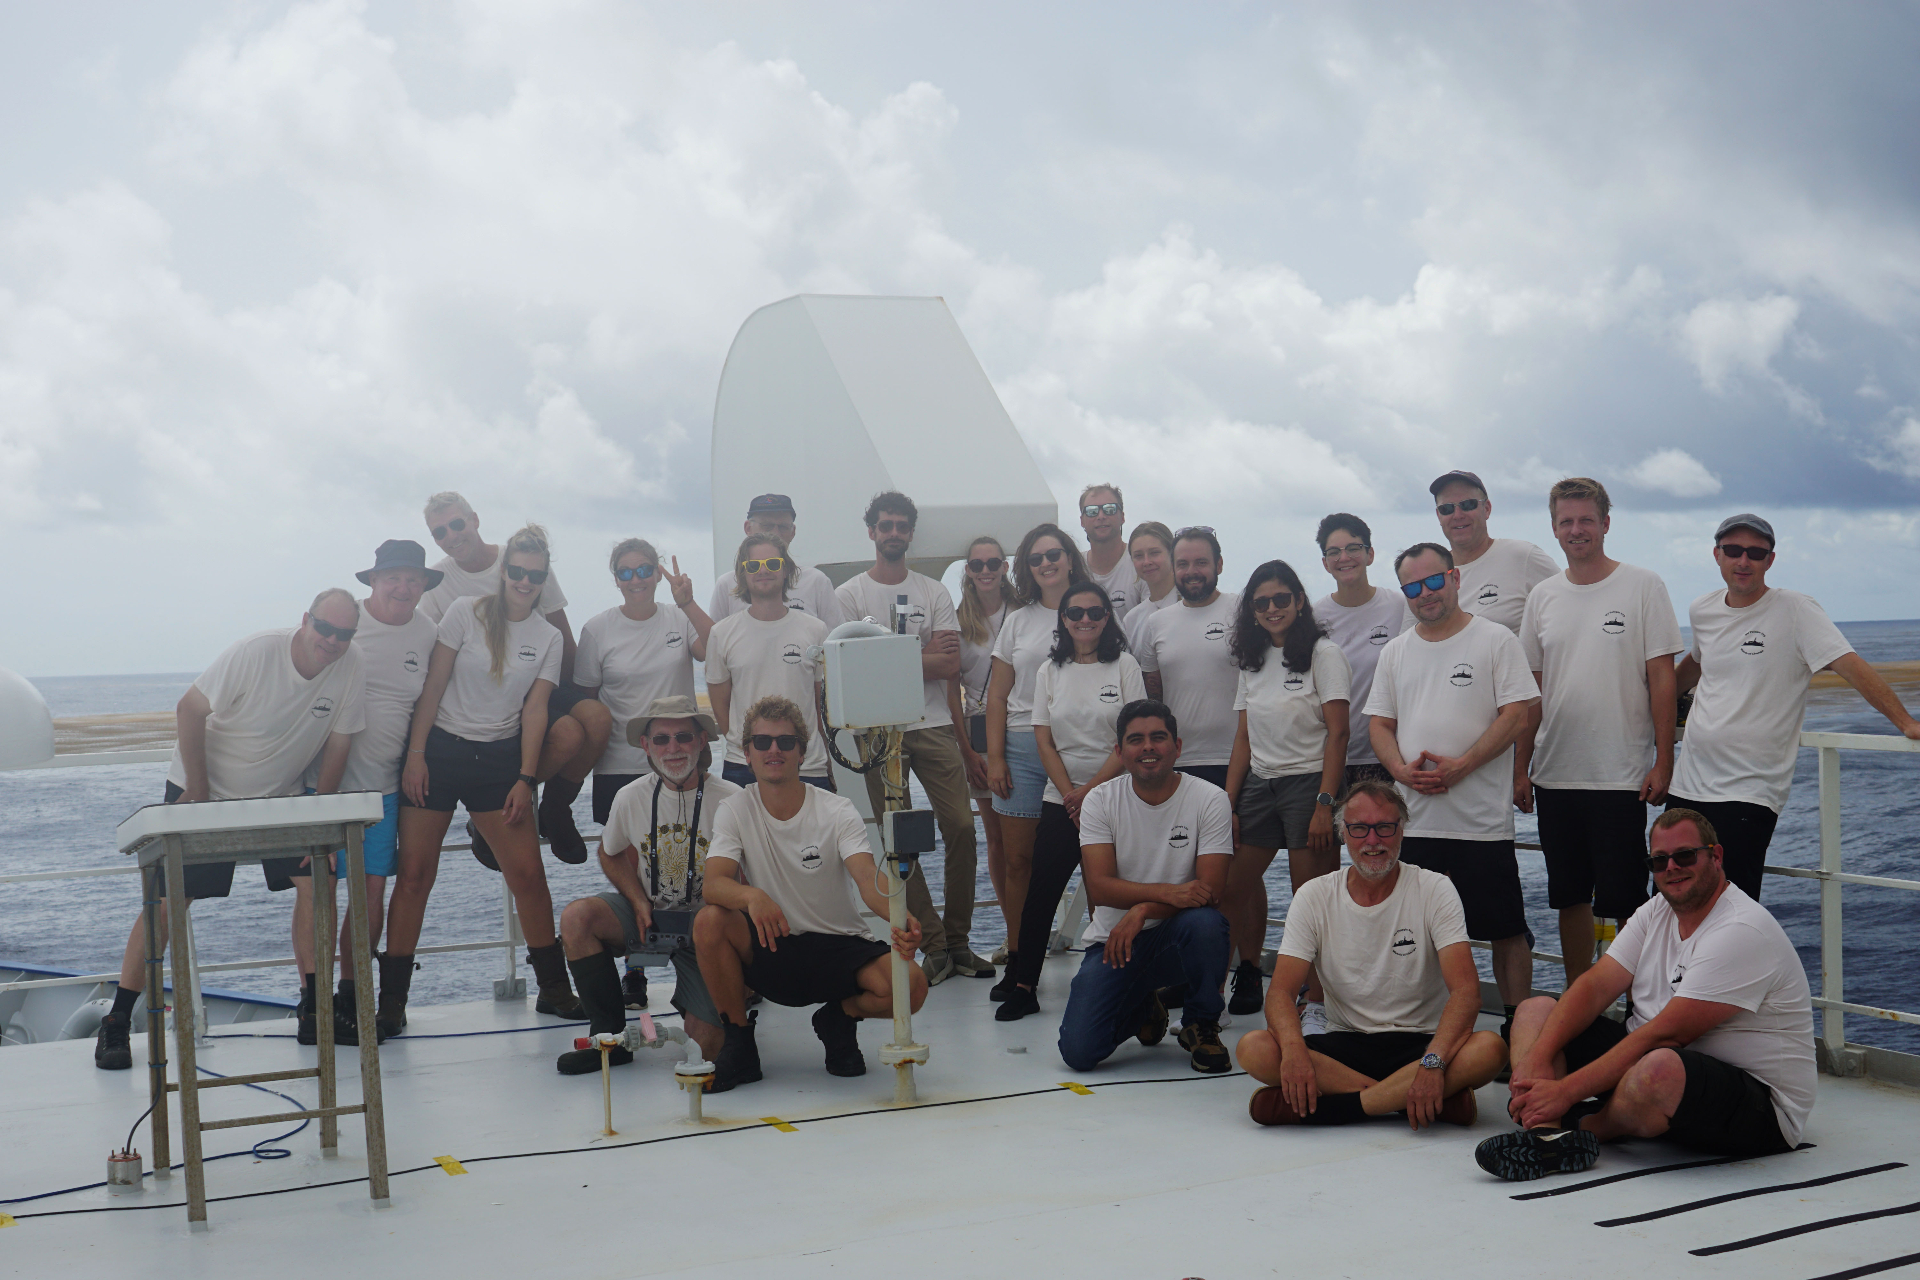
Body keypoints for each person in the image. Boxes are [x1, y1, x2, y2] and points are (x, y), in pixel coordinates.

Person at [95, 591, 368, 1069]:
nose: (333, 640)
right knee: (168, 902)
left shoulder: (351, 666)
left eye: (344, 634)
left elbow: (339, 744)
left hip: (278, 798)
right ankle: (117, 1021)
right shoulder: (257, 651)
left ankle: (315, 1009)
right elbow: (189, 708)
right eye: (325, 628)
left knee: (317, 884)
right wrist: (197, 791)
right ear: (305, 620)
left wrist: (323, 824)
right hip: (204, 790)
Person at [1478, 808, 1816, 1181]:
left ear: (1715, 856)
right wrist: (1536, 1060)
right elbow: (1593, 989)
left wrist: (1565, 1091)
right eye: (1658, 861)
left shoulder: (1741, 929)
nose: (1671, 867)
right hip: (1652, 1073)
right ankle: (1548, 1138)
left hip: (1757, 1107)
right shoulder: (1656, 910)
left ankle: (1589, 1128)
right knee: (1533, 1011)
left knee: (1659, 1067)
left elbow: (1667, 1035)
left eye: (1684, 856)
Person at [391, 524, 585, 1023]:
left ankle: (554, 990)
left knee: (528, 876)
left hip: (499, 762)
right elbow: (433, 686)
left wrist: (526, 779)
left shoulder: (547, 638)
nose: (524, 582)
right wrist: (415, 754)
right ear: (504, 571)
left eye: (534, 576)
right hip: (439, 755)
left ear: (545, 579)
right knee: (414, 877)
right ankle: (391, 1003)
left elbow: (537, 710)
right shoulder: (464, 613)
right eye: (517, 572)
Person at [1669, 514, 1920, 899]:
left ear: (1770, 560)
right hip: (1687, 784)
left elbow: (1849, 665)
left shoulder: (1796, 610)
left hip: (1749, 791)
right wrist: (1648, 702)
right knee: (1675, 897)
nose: (1743, 561)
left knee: (1731, 905)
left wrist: (1906, 722)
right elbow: (1697, 663)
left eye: (1756, 553)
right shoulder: (1702, 609)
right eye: (1733, 550)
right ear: (1716, 555)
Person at [1235, 780, 1508, 1127]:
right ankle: (1411, 1100)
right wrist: (1293, 1051)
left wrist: (1433, 1062)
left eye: (1384, 828)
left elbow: (1467, 993)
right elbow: (1281, 993)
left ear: (1401, 830)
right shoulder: (1314, 895)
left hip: (1420, 1044)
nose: (1373, 841)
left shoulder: (1435, 888)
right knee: (1254, 1047)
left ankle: (1343, 1108)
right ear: (1344, 833)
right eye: (1360, 829)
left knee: (1490, 1049)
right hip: (1344, 1042)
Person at [693, 696, 928, 1091]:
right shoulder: (735, 809)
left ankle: (838, 1018)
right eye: (763, 742)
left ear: (802, 752)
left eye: (786, 743)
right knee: (709, 921)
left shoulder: (837, 809)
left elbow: (867, 876)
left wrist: (899, 916)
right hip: (774, 945)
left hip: (838, 945)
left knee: (913, 987)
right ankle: (739, 1043)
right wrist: (753, 898)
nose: (774, 750)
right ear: (746, 753)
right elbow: (714, 884)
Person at [1516, 478, 1683, 986]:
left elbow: (1662, 679)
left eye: (1586, 519)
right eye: (1565, 521)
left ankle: (1636, 1000)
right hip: (1556, 775)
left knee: (1626, 899)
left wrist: (1664, 760)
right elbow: (1532, 693)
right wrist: (1520, 768)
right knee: (1568, 896)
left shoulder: (1643, 585)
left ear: (1606, 523)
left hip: (1621, 776)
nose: (1576, 529)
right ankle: (1578, 999)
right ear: (1554, 529)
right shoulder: (1543, 596)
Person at [1366, 542, 1539, 1016]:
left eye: (1433, 580)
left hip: (1480, 824)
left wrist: (1464, 764)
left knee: (1505, 929)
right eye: (1413, 586)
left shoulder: (1495, 640)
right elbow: (1379, 724)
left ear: (1455, 578)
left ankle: (1516, 1026)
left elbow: (1517, 714)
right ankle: (1419, 1024)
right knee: (1415, 933)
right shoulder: (1396, 652)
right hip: (1415, 825)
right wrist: (1399, 772)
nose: (1425, 593)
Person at [835, 492, 988, 984]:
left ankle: (961, 941)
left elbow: (950, 664)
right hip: (878, 731)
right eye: (886, 525)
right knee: (898, 842)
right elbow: (855, 671)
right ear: (872, 532)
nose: (894, 532)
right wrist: (918, 652)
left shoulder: (932, 592)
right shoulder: (850, 595)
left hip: (935, 722)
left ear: (910, 532)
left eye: (902, 525)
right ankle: (937, 946)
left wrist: (890, 657)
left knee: (962, 827)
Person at [415, 492, 610, 864]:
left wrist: (554, 694)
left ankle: (554, 808)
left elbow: (562, 637)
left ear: (475, 519)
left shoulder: (525, 561)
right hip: (484, 698)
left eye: (457, 523)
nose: (452, 535)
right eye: (440, 532)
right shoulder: (438, 584)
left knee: (597, 720)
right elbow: (429, 653)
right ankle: (493, 811)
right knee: (568, 735)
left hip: (537, 678)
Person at [553, 697, 741, 1074]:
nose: (672, 748)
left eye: (683, 737)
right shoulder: (630, 796)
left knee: (706, 1051)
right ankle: (608, 1038)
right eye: (661, 739)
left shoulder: (734, 800)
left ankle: (708, 1001)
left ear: (702, 741)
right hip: (650, 920)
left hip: (705, 930)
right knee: (578, 918)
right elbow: (609, 852)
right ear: (646, 746)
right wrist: (638, 901)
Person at [1056, 699, 1234, 1075]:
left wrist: (1143, 910)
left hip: (1177, 936)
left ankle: (1200, 1025)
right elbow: (1101, 888)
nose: (1148, 747)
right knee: (1079, 1052)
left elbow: (1211, 890)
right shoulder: (1100, 801)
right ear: (1120, 752)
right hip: (1115, 941)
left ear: (1177, 746)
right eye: (1136, 740)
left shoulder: (1210, 798)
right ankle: (1142, 1005)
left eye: (1158, 737)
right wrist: (1168, 894)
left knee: (1207, 923)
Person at [573, 538, 713, 1007]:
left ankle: (706, 958)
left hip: (681, 756)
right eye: (626, 572)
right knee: (633, 873)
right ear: (615, 578)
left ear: (658, 574)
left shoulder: (677, 617)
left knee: (692, 858)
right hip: (619, 765)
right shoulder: (597, 629)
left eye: (644, 570)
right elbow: (585, 699)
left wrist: (689, 602)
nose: (636, 579)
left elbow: (718, 649)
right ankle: (637, 971)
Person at [996, 582, 1145, 1021]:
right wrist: (1069, 795)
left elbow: (1132, 737)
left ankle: (1120, 985)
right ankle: (1025, 986)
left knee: (1112, 895)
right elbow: (1043, 739)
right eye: (1075, 613)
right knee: (1041, 891)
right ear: (1063, 620)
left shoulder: (1125, 665)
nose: (1085, 620)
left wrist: (1089, 792)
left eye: (1094, 613)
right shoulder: (1049, 671)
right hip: (1061, 797)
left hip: (1114, 795)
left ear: (1106, 618)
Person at [323, 541, 443, 1044]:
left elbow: (426, 706)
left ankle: (352, 997)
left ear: (423, 585)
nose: (402, 587)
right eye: (392, 577)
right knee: (319, 894)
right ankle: (316, 1001)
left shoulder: (427, 632)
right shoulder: (348, 626)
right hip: (327, 785)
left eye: (412, 579)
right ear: (372, 581)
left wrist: (417, 757)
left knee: (372, 893)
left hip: (385, 790)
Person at [1222, 560, 1351, 1021]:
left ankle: (1316, 1001)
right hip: (1259, 783)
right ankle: (1206, 997)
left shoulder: (1323, 653)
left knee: (1310, 901)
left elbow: (1338, 734)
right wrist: (1228, 804)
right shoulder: (1252, 659)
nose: (1272, 608)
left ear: (1299, 600)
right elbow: (1243, 736)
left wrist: (1325, 804)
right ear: (1251, 611)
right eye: (1262, 602)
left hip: (1309, 785)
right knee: (1227, 893)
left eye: (1281, 599)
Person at [985, 523, 1090, 1001]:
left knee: (1093, 860)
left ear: (1070, 558)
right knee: (1019, 862)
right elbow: (997, 696)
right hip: (1023, 751)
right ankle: (1019, 959)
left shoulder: (1093, 610)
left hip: (1078, 750)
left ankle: (1106, 963)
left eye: (1055, 554)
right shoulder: (1018, 621)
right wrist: (995, 756)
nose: (1046, 563)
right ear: (1027, 568)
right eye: (1036, 558)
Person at [704, 534, 834, 789]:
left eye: (773, 564)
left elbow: (819, 706)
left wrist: (826, 756)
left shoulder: (816, 630)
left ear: (786, 570)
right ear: (742, 575)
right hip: (743, 767)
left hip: (807, 765)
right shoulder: (721, 634)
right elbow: (723, 709)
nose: (763, 570)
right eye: (753, 566)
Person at [1311, 513, 1412, 790]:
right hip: (1330, 757)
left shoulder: (1400, 606)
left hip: (1390, 754)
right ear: (1325, 563)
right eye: (1334, 552)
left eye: (1353, 548)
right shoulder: (1313, 618)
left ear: (1370, 554)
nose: (1344, 558)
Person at [1136, 527, 1240, 788]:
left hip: (1241, 758)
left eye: (1201, 562)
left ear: (1219, 564)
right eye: (1182, 563)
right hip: (1178, 760)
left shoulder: (1243, 611)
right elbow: (1153, 695)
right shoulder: (1156, 622)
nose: (1191, 571)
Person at [952, 536, 1011, 962]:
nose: (986, 570)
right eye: (978, 564)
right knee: (996, 839)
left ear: (1005, 567)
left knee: (1030, 838)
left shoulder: (1024, 612)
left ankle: (1031, 926)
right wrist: (966, 752)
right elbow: (951, 691)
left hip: (1021, 726)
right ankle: (1014, 930)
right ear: (968, 570)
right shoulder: (957, 621)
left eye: (994, 562)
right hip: (977, 732)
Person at [1428, 470, 1558, 635]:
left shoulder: (1523, 557)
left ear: (1487, 508)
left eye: (1468, 505)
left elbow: (1566, 608)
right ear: (1439, 516)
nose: (1458, 515)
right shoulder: (1428, 577)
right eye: (1447, 509)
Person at [706, 493, 847, 628]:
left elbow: (835, 641)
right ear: (748, 528)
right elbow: (715, 644)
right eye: (767, 526)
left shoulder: (816, 581)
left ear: (793, 532)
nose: (775, 533)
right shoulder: (727, 585)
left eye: (783, 527)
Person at [1078, 483, 1139, 620]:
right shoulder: (1074, 566)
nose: (1101, 516)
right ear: (1082, 521)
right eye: (1092, 511)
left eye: (1109, 509)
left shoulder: (1140, 562)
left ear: (1122, 517)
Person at [1119, 521, 1179, 654]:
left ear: (1172, 554)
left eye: (1154, 553)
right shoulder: (1131, 620)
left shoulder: (1190, 604)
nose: (1147, 562)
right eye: (1139, 556)